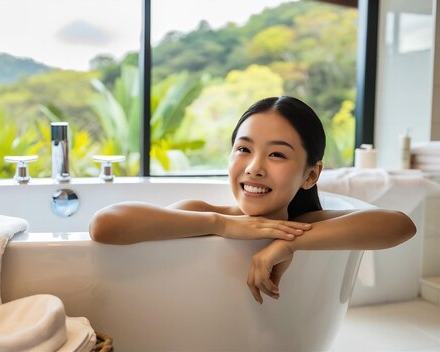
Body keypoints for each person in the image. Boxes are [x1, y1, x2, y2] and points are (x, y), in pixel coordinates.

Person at [89, 96, 416, 304]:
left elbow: (400, 225)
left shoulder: (303, 226)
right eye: (243, 149)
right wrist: (222, 225)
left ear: (311, 175)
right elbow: (106, 225)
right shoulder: (203, 214)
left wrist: (288, 244)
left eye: (276, 154)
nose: (254, 168)